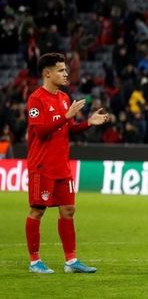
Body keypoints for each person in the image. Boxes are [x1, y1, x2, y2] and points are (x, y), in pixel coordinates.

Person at [25, 53, 110, 274]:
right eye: (61, 70)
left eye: (65, 69)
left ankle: (71, 261)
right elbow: (40, 131)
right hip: (41, 165)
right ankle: (35, 261)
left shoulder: (64, 97)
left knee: (69, 209)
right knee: (37, 210)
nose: (66, 73)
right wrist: (65, 116)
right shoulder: (36, 98)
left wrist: (88, 123)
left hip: (62, 165)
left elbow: (68, 128)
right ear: (47, 73)